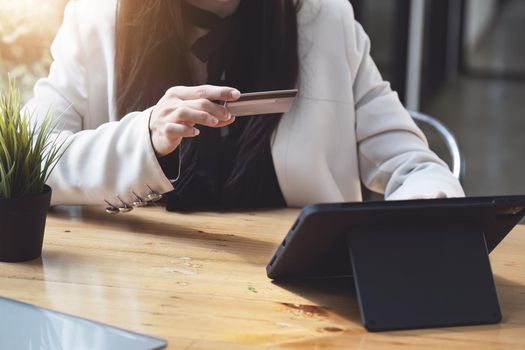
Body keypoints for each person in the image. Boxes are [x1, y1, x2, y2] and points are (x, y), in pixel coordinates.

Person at [23, 0, 464, 211]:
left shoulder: (325, 20)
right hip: (132, 293)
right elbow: (29, 159)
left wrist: (429, 202)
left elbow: (411, 164)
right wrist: (144, 137)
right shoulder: (99, 19)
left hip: (299, 307)